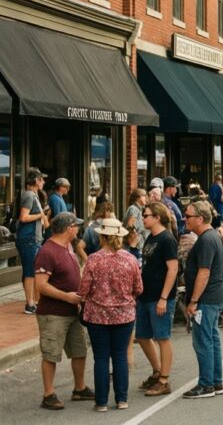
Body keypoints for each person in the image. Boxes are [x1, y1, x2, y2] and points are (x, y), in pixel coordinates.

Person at [79, 218, 142, 411]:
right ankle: (121, 399)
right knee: (120, 356)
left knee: (101, 358)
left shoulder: (94, 259)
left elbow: (83, 290)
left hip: (97, 315)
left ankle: (101, 402)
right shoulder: (130, 259)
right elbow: (138, 288)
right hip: (124, 315)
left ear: (102, 236)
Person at [34, 212, 92, 410]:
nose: (78, 229)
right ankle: (48, 394)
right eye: (76, 225)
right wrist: (67, 296)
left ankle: (79, 387)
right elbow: (41, 285)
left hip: (72, 311)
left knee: (80, 350)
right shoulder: (47, 252)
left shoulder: (68, 246)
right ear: (69, 228)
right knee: (51, 353)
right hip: (53, 313)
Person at [182, 200, 223, 399]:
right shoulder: (211, 236)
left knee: (203, 341)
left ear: (200, 218)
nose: (185, 219)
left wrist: (193, 301)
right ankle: (215, 382)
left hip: (206, 299)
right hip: (213, 297)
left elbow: (204, 272)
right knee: (211, 339)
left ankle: (206, 384)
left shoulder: (207, 239)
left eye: (189, 216)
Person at [135, 202, 179, 397]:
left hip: (159, 297)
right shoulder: (150, 238)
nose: (143, 218)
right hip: (145, 296)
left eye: (146, 215)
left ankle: (164, 379)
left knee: (162, 337)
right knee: (143, 336)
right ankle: (157, 370)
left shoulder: (167, 239)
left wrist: (164, 297)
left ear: (157, 217)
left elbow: (173, 269)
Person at [17, 168, 49, 314]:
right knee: (30, 271)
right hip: (28, 238)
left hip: (33, 238)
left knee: (30, 270)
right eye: (41, 179)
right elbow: (23, 217)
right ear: (36, 181)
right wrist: (40, 215)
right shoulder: (29, 195)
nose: (43, 182)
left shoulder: (34, 195)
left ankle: (33, 301)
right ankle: (30, 304)